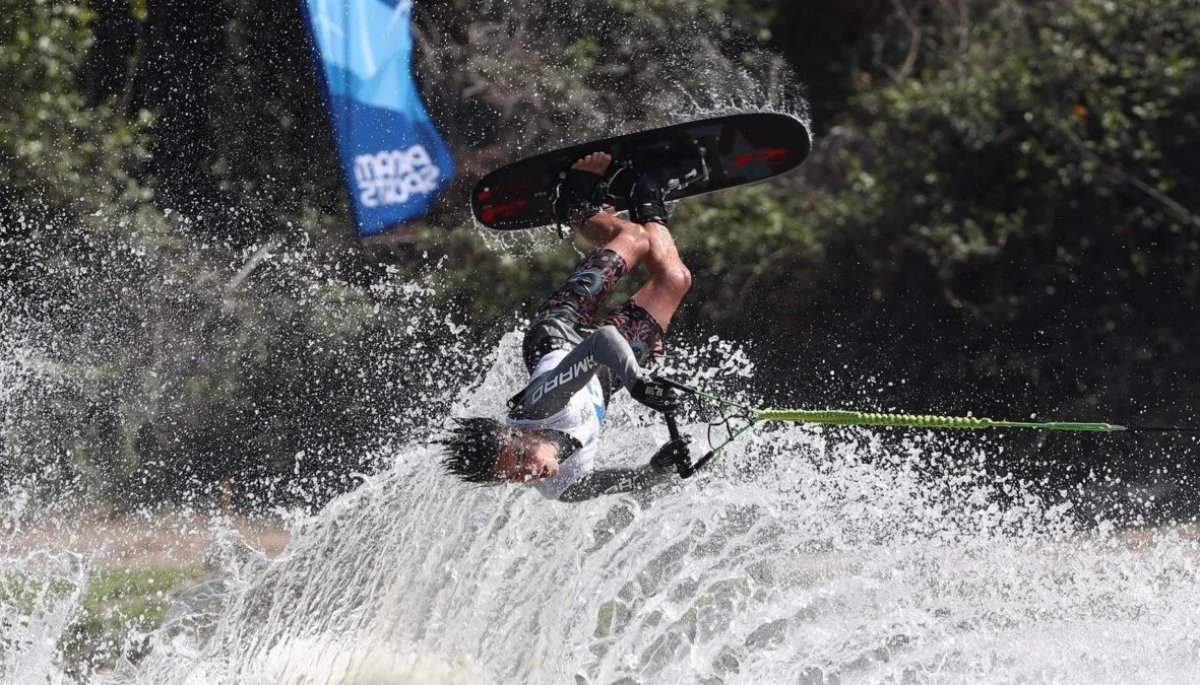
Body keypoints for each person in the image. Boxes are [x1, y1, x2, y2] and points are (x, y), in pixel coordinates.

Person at [441, 151, 701, 501]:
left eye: (520, 458)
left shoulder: (542, 406)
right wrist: (658, 470)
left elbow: (601, 342)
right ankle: (647, 192)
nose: (528, 474)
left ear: (521, 432)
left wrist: (638, 384)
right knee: (675, 279)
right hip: (605, 374)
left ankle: (574, 205)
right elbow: (630, 481)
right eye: (515, 476)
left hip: (559, 329)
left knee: (635, 239)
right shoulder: (562, 487)